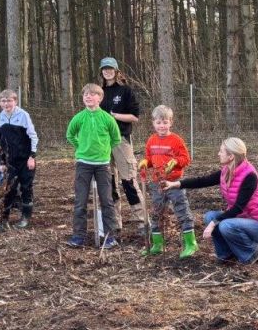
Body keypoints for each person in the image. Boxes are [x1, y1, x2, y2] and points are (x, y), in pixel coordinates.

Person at [163, 137, 258, 265]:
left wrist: (214, 223)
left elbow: (238, 208)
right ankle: (226, 255)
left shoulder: (249, 176)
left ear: (231, 156)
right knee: (209, 216)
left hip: (257, 224)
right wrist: (175, 184)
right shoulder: (226, 171)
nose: (218, 154)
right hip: (238, 218)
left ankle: (251, 254)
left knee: (225, 225)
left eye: (221, 151)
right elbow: (203, 181)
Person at [66, 83, 121, 248]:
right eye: (85, 95)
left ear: (100, 98)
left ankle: (110, 237)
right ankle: (78, 236)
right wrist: (81, 148)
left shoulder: (107, 118)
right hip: (83, 164)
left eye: (92, 94)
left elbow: (116, 139)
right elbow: (70, 135)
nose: (88, 97)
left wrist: (104, 151)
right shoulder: (78, 118)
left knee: (107, 201)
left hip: (103, 165)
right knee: (80, 201)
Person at [138, 105, 197, 258]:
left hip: (174, 182)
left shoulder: (176, 140)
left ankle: (191, 243)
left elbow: (186, 159)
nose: (162, 126)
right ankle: (158, 244)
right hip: (157, 183)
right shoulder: (151, 140)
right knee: (157, 212)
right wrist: (145, 163)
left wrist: (175, 162)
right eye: (158, 122)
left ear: (171, 122)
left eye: (165, 122)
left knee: (181, 209)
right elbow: (149, 158)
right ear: (153, 123)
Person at [98, 57, 147, 235]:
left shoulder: (125, 90)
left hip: (121, 140)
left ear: (116, 71)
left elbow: (134, 116)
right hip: (102, 143)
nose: (107, 71)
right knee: (109, 183)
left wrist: (113, 116)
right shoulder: (99, 92)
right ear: (101, 72)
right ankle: (114, 223)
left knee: (129, 181)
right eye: (105, 69)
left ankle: (142, 222)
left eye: (110, 68)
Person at [0, 90, 38, 228]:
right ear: (0, 102)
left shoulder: (23, 115)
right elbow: (0, 142)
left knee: (26, 187)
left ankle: (25, 218)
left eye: (9, 101)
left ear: (15, 101)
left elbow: (33, 136)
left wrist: (32, 156)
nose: (6, 104)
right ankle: (4, 218)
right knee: (9, 188)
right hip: (10, 161)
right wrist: (2, 161)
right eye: (3, 101)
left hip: (25, 159)